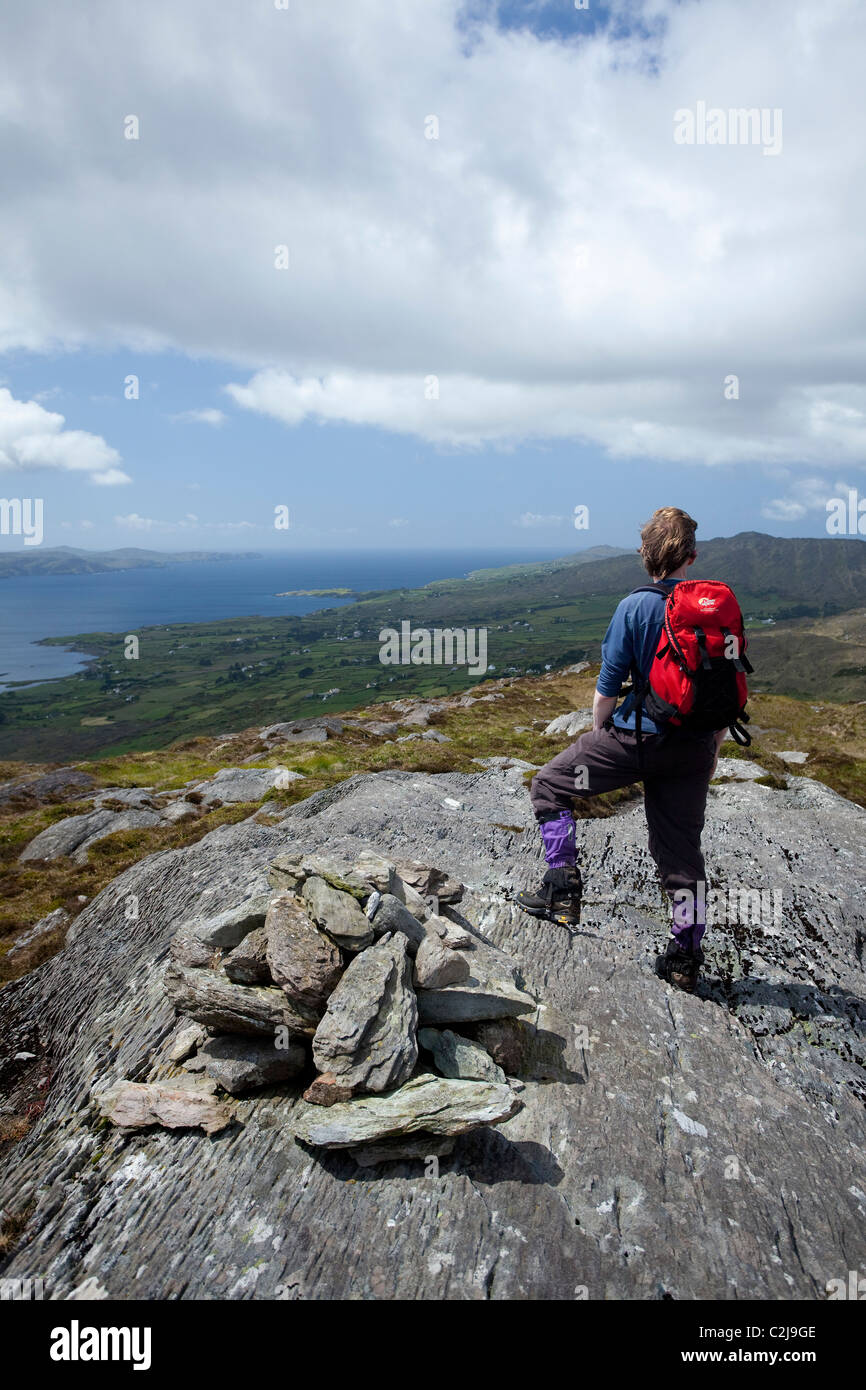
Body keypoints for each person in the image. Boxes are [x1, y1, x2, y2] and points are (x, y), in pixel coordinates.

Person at [516, 507, 731, 993]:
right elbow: (726, 693)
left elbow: (606, 689)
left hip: (633, 743)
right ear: (691, 557)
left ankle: (562, 889)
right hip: (692, 751)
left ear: (644, 554)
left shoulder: (634, 607)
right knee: (681, 855)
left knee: (550, 786)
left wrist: (599, 741)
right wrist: (709, 752)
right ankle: (685, 957)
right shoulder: (714, 613)